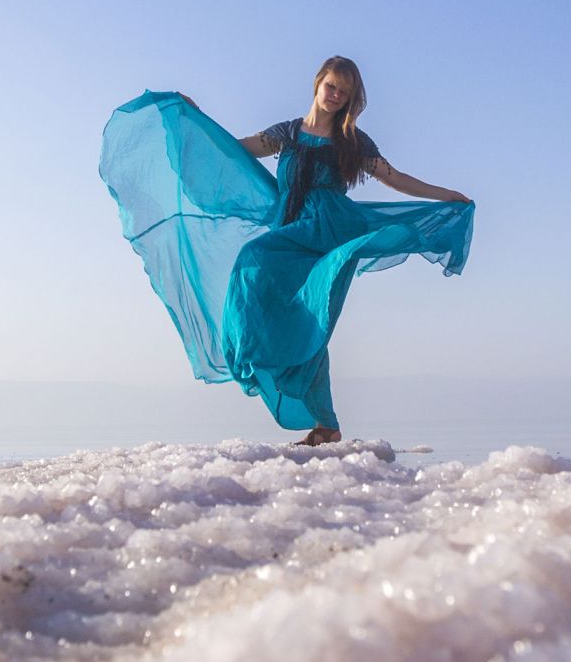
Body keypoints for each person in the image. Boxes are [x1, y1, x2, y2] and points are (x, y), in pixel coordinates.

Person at [100, 56, 474, 448]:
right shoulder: (288, 133)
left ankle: (323, 423)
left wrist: (445, 195)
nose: (335, 96)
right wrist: (194, 120)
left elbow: (394, 178)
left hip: (332, 232)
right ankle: (321, 420)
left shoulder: (353, 143)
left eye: (344, 93)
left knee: (292, 298)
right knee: (278, 295)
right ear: (318, 83)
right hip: (292, 228)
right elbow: (233, 150)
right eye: (332, 86)